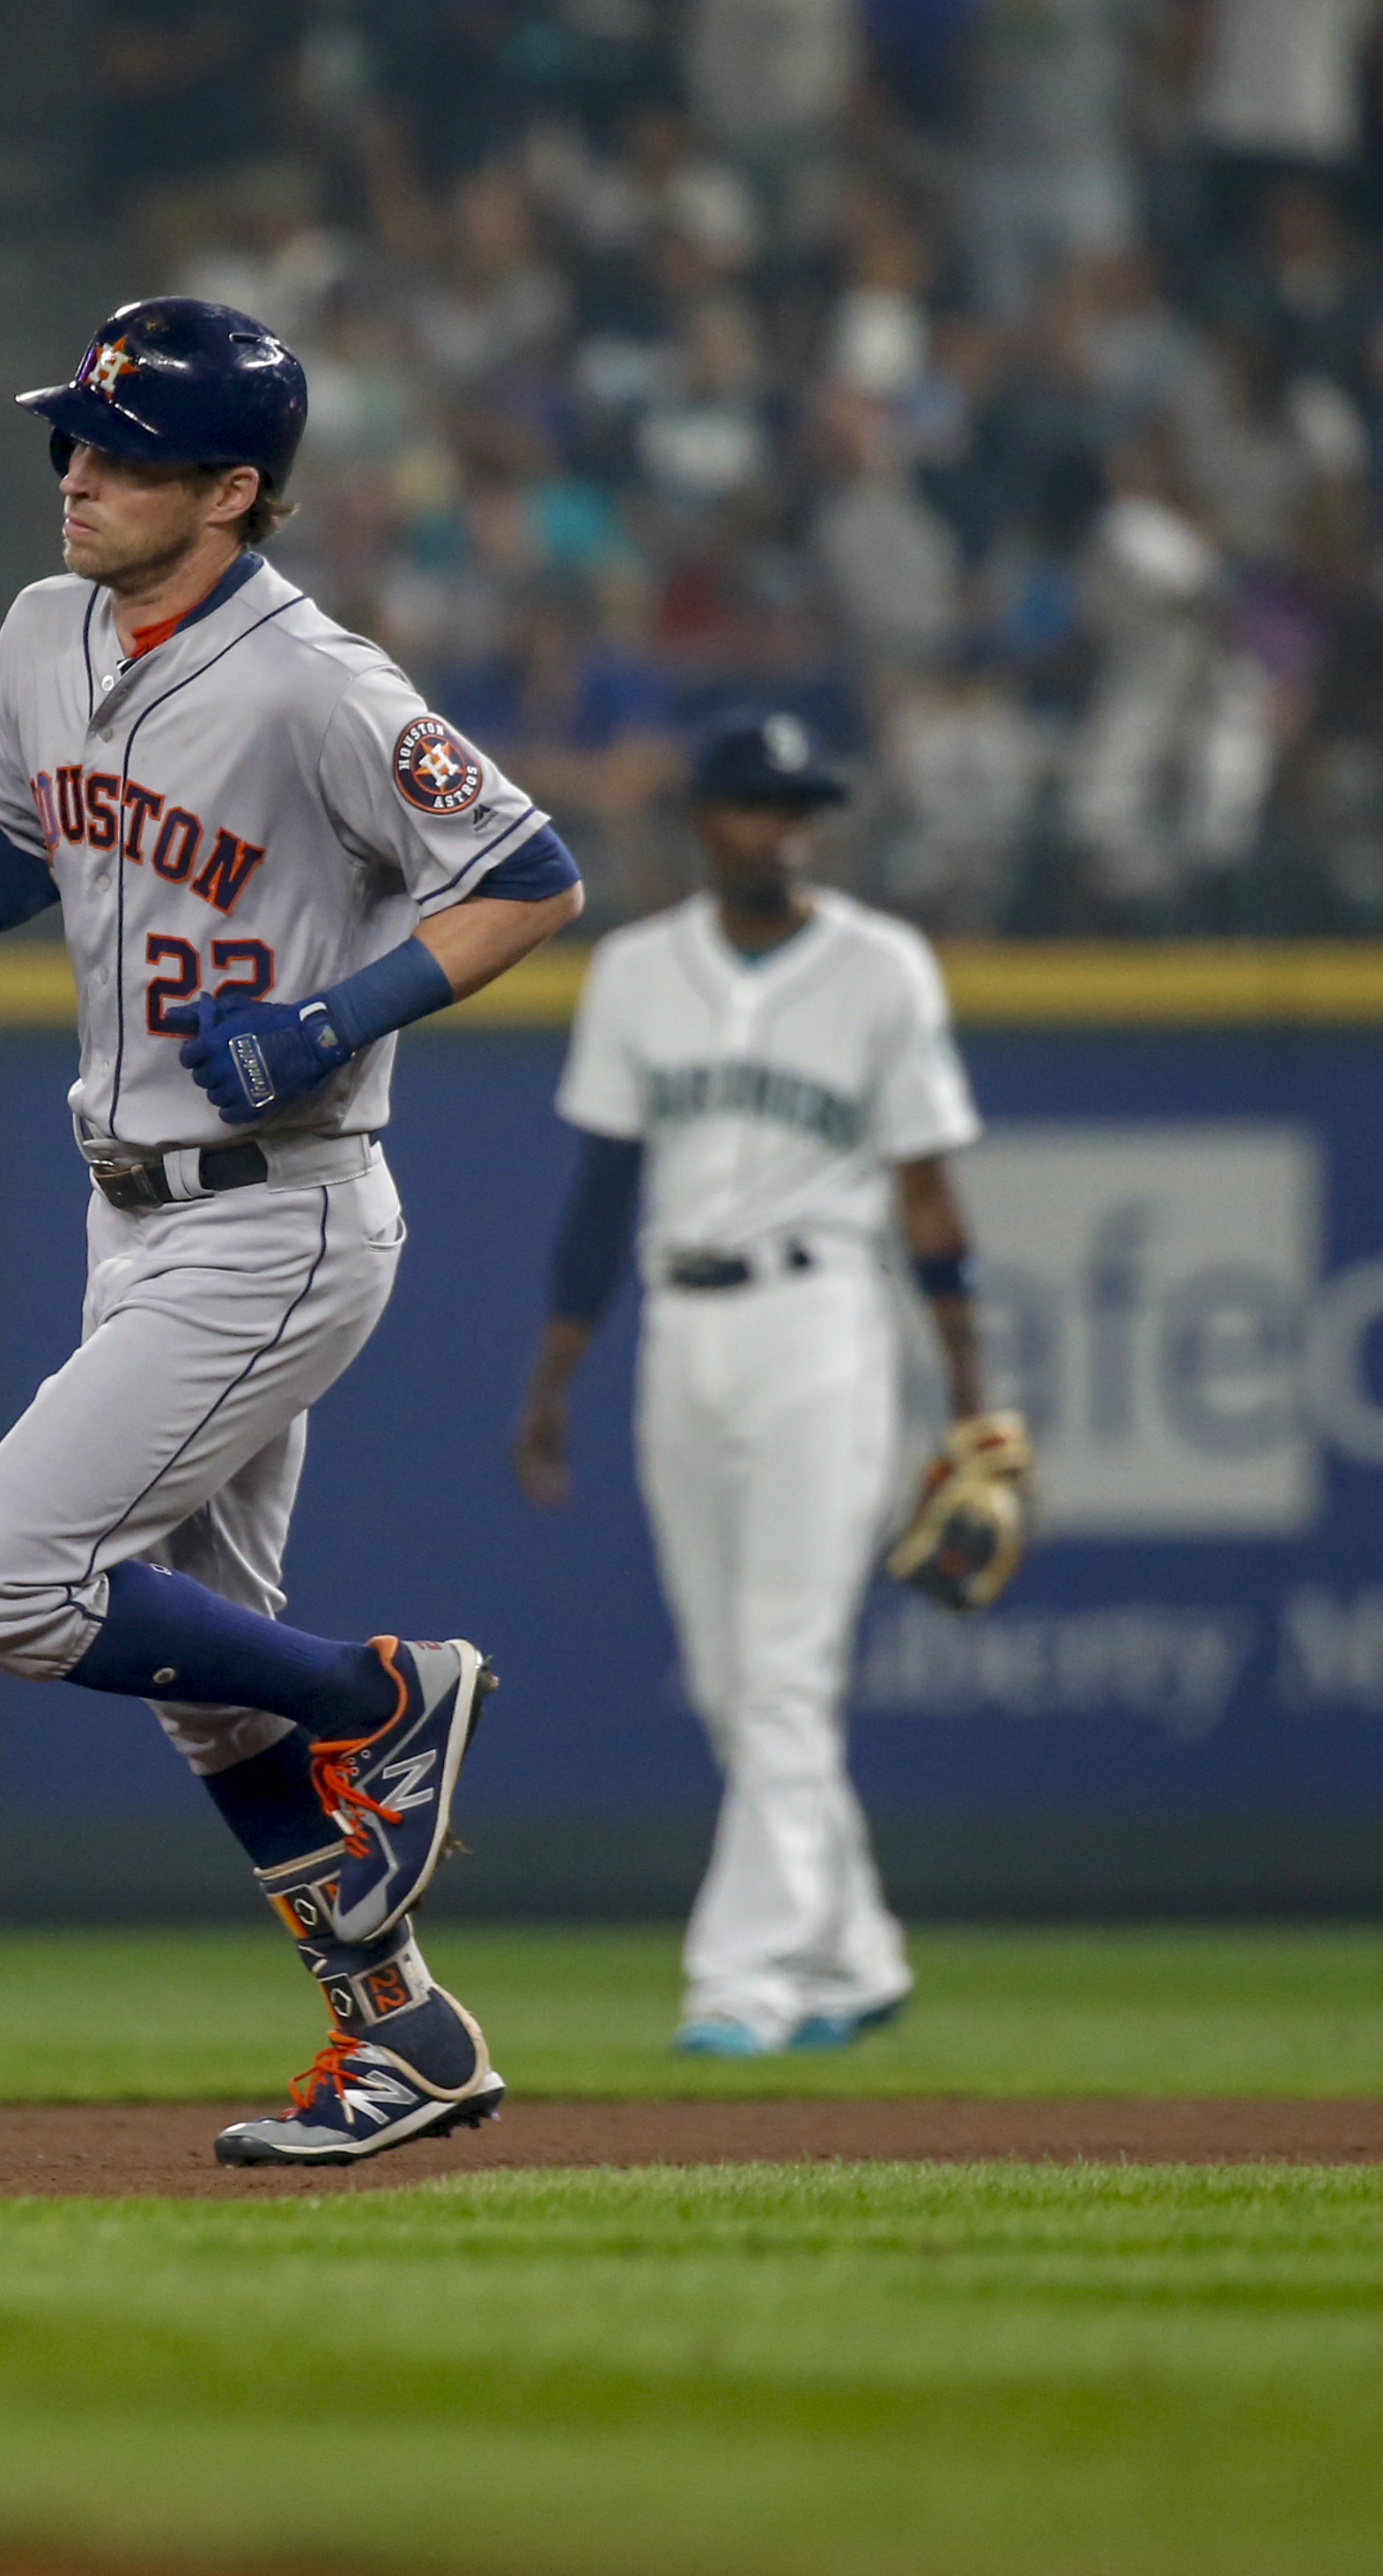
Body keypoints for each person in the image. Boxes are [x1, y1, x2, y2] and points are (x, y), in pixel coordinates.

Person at [0, 299, 586, 2167]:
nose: (78, 474)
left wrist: (336, 1014)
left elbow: (531, 876)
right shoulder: (45, 629)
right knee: (207, 1698)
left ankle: (390, 1692)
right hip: (122, 1208)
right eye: (74, 440)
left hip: (277, 1215)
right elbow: (2, 846)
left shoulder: (316, 680)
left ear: (233, 492)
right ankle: (407, 2038)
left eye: (126, 457)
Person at [511, 716, 1004, 2057]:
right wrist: (555, 1382)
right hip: (682, 1326)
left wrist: (972, 1394)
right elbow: (602, 1194)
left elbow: (928, 1192)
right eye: (750, 803)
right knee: (734, 1682)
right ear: (703, 822)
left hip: (823, 1323)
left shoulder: (881, 967)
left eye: (797, 805)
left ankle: (743, 1977)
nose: (775, 826)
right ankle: (856, 1953)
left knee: (783, 1674)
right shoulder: (633, 971)